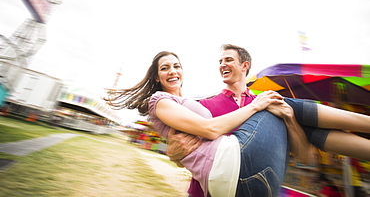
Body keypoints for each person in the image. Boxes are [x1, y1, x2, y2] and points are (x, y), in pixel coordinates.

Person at [105, 49, 370, 197]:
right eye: (219, 61)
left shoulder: (263, 103)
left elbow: (306, 157)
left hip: (263, 179)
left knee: (287, 110)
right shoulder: (207, 106)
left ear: (245, 66)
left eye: (228, 60)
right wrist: (174, 152)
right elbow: (195, 137)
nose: (222, 64)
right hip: (229, 181)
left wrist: (290, 123)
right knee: (279, 104)